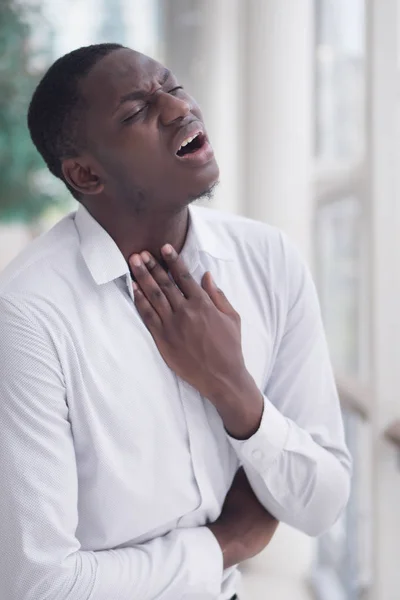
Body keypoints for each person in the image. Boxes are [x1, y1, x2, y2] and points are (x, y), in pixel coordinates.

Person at [0, 43, 351, 600]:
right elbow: (37, 584)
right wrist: (225, 544)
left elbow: (322, 502)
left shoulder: (268, 259)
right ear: (86, 174)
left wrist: (234, 391)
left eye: (173, 85)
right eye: (136, 111)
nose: (177, 108)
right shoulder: (28, 314)